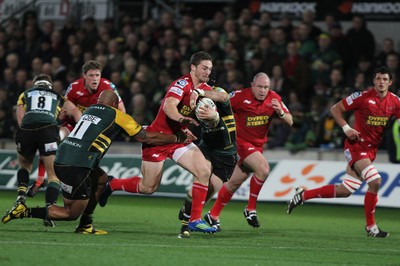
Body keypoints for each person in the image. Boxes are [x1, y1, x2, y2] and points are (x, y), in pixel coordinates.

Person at [2, 90, 195, 229]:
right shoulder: (117, 115)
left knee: (102, 180)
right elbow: (145, 137)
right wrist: (176, 138)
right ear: (113, 104)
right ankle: (24, 211)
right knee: (70, 213)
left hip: (66, 158)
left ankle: (86, 224)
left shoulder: (89, 111)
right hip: (76, 166)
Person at [99, 51, 227, 234]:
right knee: (148, 187)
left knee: (204, 170)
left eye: (210, 69)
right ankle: (112, 185)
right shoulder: (182, 84)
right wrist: (182, 119)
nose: (208, 72)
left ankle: (194, 219)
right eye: (204, 68)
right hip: (158, 138)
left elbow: (223, 97)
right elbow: (168, 106)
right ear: (193, 67)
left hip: (179, 140)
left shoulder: (203, 88)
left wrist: (201, 93)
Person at [287, 66, 398, 238]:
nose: (381, 82)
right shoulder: (362, 97)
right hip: (355, 146)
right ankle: (371, 227)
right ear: (373, 81)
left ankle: (302, 195)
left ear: (390, 82)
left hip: (371, 150)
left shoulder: (395, 102)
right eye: (378, 79)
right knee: (375, 181)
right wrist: (346, 128)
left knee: (345, 190)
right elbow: (335, 109)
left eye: (385, 79)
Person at [206, 72, 293, 229]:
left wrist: (280, 112)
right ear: (252, 85)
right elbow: (221, 102)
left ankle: (213, 215)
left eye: (266, 87)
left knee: (234, 183)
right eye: (259, 86)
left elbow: (290, 121)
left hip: (257, 146)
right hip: (240, 142)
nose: (262, 90)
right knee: (263, 169)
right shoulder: (239, 96)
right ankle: (251, 208)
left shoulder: (274, 98)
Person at [11, 74, 81, 226]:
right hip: (48, 131)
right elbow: (75, 111)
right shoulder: (59, 97)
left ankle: (20, 198)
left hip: (27, 130)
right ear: (50, 85)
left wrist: (25, 130)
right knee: (54, 176)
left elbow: (20, 118)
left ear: (35, 84)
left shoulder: (25, 94)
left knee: (24, 166)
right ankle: (50, 210)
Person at [177, 85, 238, 238]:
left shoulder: (218, 93)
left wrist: (214, 116)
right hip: (207, 149)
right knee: (201, 178)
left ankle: (188, 210)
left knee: (207, 194)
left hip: (226, 154)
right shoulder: (193, 100)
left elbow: (224, 97)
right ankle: (187, 225)